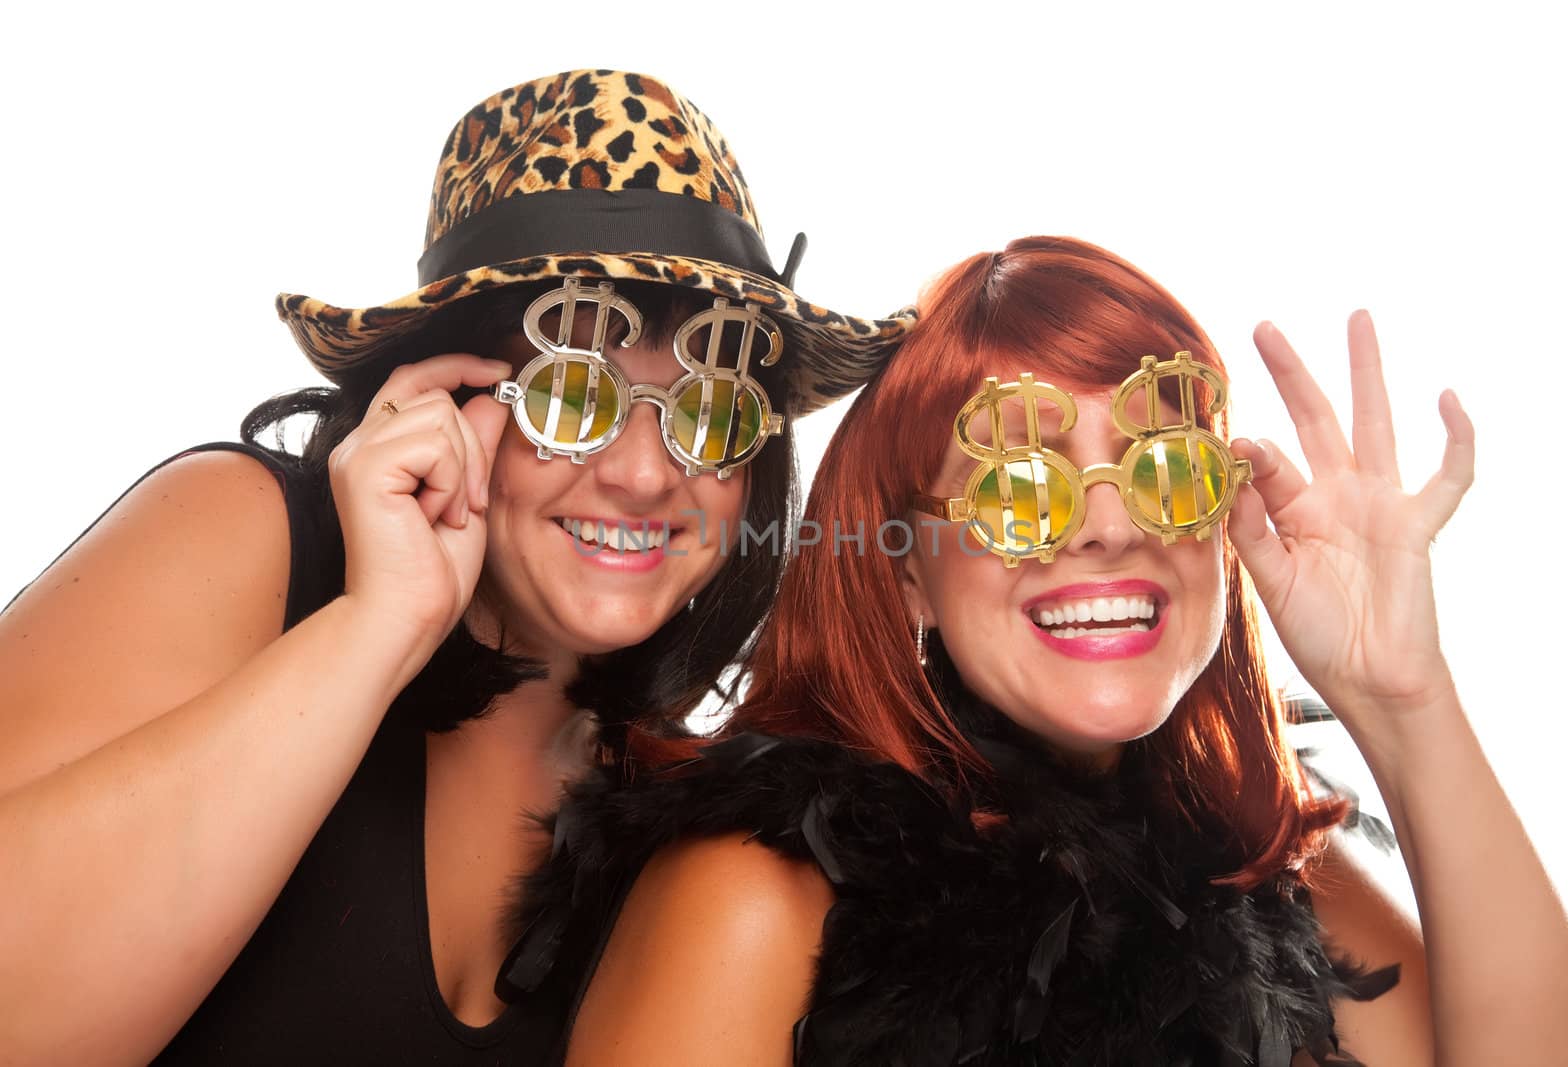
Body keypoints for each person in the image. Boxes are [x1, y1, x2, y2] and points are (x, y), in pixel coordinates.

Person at [502, 236, 1568, 1065]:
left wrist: (1405, 703)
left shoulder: (1254, 871)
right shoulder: (751, 899)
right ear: (903, 569)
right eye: (1017, 486)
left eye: (1162, 468)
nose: (1109, 526)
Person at [0, 69, 912, 1065]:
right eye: (573, 394)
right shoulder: (239, 533)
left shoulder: (674, 813)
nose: (649, 474)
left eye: (708, 412)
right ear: (441, 393)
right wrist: (375, 626)